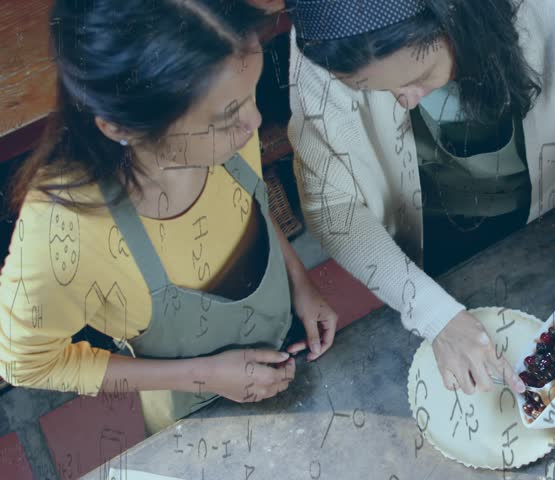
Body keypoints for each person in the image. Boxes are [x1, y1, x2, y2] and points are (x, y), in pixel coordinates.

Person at [287, 0, 555, 397]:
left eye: (420, 76)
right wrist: (431, 312)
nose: (405, 99)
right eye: (371, 88)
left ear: (463, 14)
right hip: (431, 249)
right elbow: (333, 206)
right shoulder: (328, 40)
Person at [0, 0, 337, 436]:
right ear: (123, 128)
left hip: (283, 339)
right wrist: (204, 375)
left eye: (250, 94)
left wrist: (300, 282)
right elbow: (25, 363)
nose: (254, 123)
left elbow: (246, 206)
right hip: (195, 414)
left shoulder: (226, 123)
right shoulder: (62, 233)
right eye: (228, 116)